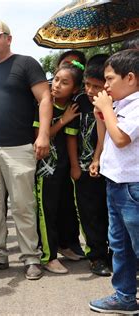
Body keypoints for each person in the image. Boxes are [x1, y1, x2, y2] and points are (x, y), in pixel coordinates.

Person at [0, 20, 52, 280]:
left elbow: (45, 98)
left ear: (9, 38)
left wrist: (42, 135)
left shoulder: (26, 63)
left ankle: (31, 257)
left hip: (19, 146)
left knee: (22, 205)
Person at [89, 49, 139, 314]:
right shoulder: (120, 105)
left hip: (133, 187)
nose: (105, 85)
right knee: (120, 246)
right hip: (116, 185)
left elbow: (121, 139)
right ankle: (125, 296)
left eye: (109, 79)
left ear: (130, 78)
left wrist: (107, 109)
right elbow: (109, 134)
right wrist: (105, 113)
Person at [35, 63, 83, 274]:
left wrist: (74, 166)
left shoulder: (73, 106)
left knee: (65, 209)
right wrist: (63, 120)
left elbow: (71, 139)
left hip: (63, 167)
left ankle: (65, 246)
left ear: (75, 89)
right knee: (47, 212)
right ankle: (48, 255)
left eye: (64, 83)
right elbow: (41, 137)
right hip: (45, 169)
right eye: (55, 79)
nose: (57, 85)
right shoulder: (44, 104)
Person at [67, 54, 111, 277]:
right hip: (85, 169)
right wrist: (75, 165)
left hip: (111, 169)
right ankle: (97, 256)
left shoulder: (116, 103)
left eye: (97, 85)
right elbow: (72, 137)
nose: (91, 90)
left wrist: (99, 158)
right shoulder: (80, 102)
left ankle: (115, 253)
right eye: (87, 84)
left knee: (111, 213)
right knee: (89, 213)